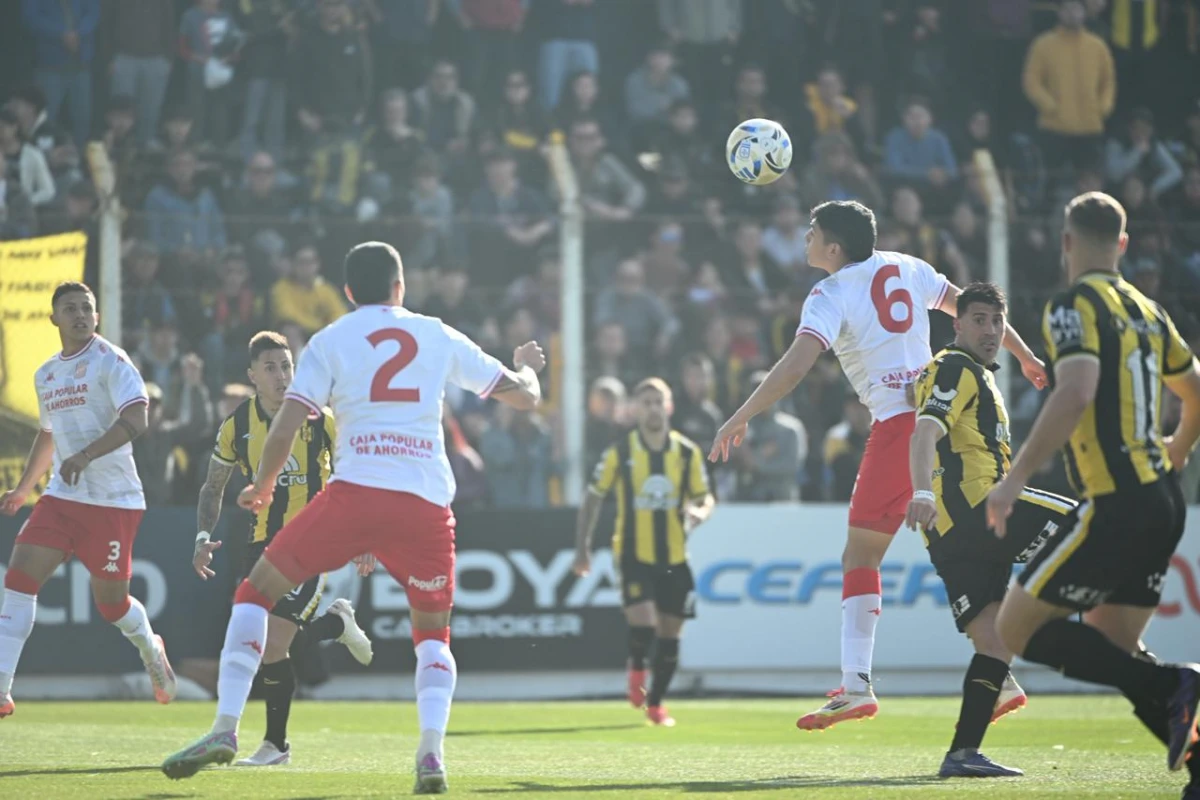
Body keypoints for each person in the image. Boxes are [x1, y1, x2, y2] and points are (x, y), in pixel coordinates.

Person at [161, 242, 546, 793]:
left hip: (354, 495)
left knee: (253, 594)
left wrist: (263, 485)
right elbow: (525, 397)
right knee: (432, 637)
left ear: (346, 291)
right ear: (400, 286)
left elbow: (287, 423)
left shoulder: (329, 340)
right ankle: (431, 752)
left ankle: (225, 727)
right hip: (423, 504)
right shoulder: (436, 333)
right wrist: (528, 367)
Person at [709, 200, 1048, 731]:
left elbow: (797, 364)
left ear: (833, 247)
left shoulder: (830, 293)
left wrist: (740, 415)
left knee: (861, 554)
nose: (805, 239)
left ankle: (855, 685)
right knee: (963, 564)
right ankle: (1000, 678)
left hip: (901, 430)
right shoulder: (909, 267)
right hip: (951, 422)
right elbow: (970, 309)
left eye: (812, 232)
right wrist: (1025, 355)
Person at [987, 192, 1200, 794]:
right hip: (1164, 499)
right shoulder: (1148, 309)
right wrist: (1179, 449)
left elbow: (1076, 391)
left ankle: (1177, 683)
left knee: (1015, 628)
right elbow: (1195, 389)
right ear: (1123, 244)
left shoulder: (1073, 303)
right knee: (1115, 648)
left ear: (1066, 242)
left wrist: (1015, 477)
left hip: (1116, 501)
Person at [907, 281, 1076, 778]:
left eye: (997, 321)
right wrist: (920, 491)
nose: (990, 330)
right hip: (979, 508)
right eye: (979, 320)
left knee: (995, 645)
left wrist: (1025, 358)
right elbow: (925, 431)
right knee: (1088, 523)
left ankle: (962, 754)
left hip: (947, 536)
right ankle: (1118, 651)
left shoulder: (970, 371)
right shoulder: (956, 367)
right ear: (956, 323)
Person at [192, 330, 374, 767]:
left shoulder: (321, 420)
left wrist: (364, 537)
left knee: (271, 639)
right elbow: (213, 486)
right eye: (270, 368)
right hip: (261, 545)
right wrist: (201, 538)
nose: (281, 376)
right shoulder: (237, 425)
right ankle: (334, 626)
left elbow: (356, 476)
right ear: (252, 375)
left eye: (286, 366)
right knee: (265, 644)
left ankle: (274, 745)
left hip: (312, 542)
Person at [0, 282, 176, 718]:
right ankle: (1, 688)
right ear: (54, 318)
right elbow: (48, 435)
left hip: (113, 500)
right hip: (62, 497)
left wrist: (86, 455)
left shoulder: (111, 360)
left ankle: (150, 647)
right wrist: (23, 488)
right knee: (19, 578)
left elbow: (138, 416)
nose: (80, 314)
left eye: (86, 308)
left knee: (112, 606)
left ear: (97, 317)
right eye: (70, 308)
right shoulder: (46, 374)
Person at [572, 378, 715, 727]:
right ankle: (636, 667)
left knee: (671, 635)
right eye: (646, 402)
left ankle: (656, 704)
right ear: (636, 409)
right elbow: (593, 497)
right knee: (645, 623)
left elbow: (705, 496)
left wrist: (700, 512)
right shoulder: (620, 453)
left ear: (669, 407)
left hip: (675, 557)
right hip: (633, 553)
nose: (653, 408)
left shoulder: (686, 452)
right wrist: (582, 548)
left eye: (658, 401)